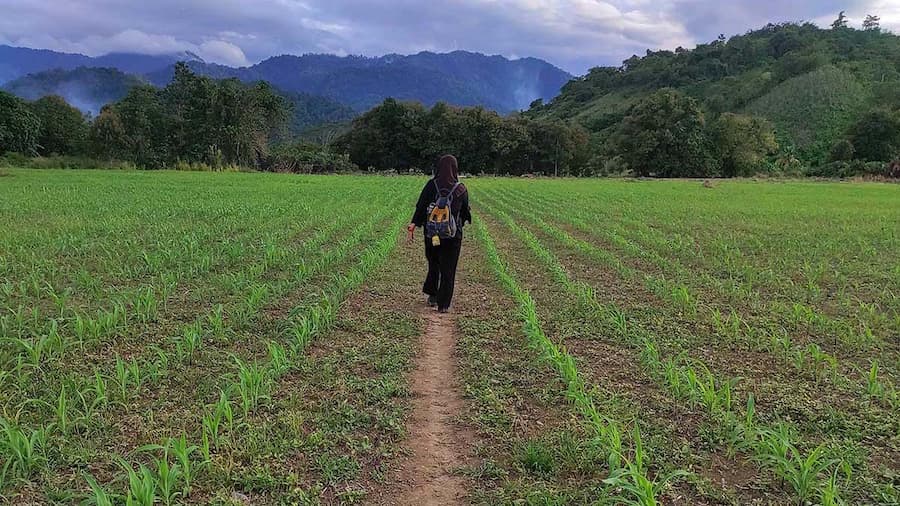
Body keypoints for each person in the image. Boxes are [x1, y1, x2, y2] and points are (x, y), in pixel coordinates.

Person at [407, 154, 471, 313]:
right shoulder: (461, 189)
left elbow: (421, 206)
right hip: (452, 236)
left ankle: (432, 296)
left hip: (432, 234)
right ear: (455, 168)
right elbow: (465, 212)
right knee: (449, 269)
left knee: (434, 263)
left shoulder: (431, 185)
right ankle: (444, 305)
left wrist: (414, 223)